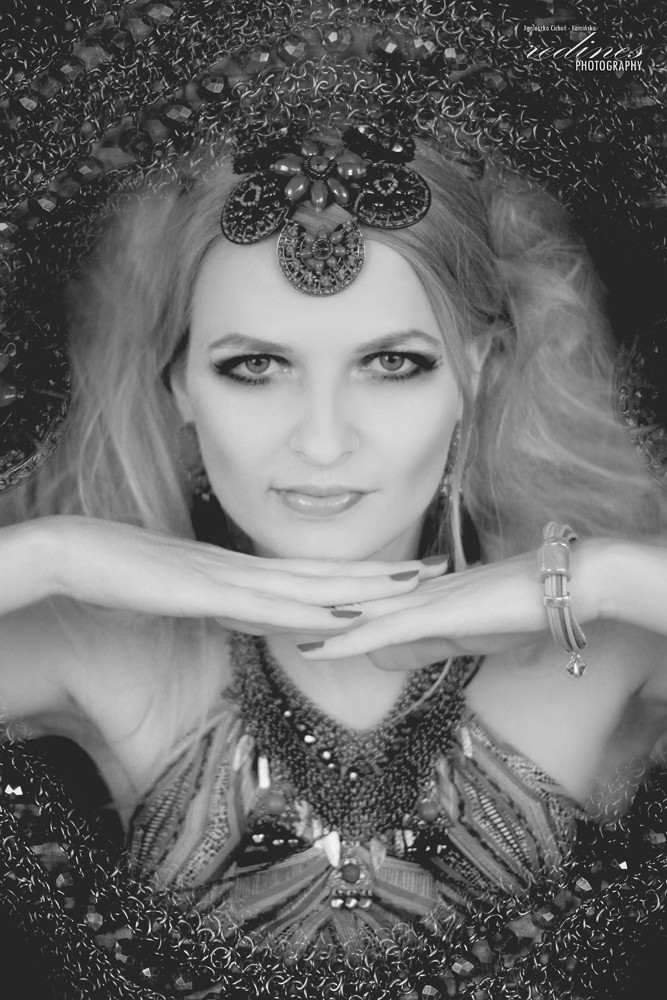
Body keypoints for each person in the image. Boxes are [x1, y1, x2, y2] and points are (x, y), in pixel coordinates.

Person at [1, 4, 667, 998]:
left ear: (477, 373)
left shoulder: (599, 647)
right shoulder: (106, 648)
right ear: (179, 386)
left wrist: (601, 579)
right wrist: (54, 554)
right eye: (254, 365)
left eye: (391, 363)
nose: (320, 441)